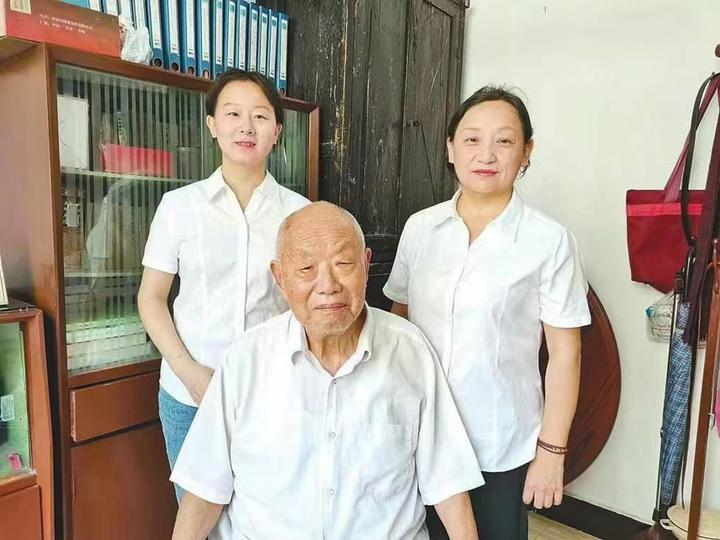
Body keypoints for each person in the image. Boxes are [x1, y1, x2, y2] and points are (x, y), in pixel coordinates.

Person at [170, 202, 484, 540]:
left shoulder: (410, 351)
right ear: (280, 278)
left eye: (343, 264)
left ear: (366, 265)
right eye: (306, 268)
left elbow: (449, 482)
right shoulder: (245, 359)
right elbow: (204, 489)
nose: (328, 285)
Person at [383, 86, 591, 539]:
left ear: (526, 152)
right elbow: (397, 324)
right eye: (472, 139)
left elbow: (566, 355)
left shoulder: (548, 241)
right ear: (450, 148)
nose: (487, 154)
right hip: (415, 432)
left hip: (497, 444)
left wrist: (551, 452)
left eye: (504, 140)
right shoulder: (421, 228)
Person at [138, 70, 309, 498]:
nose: (246, 126)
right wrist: (190, 373)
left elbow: (306, 307)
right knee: (196, 514)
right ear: (213, 125)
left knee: (267, 511)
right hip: (188, 394)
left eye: (260, 116)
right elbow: (152, 299)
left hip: (272, 392)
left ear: (277, 132)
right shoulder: (179, 207)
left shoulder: (300, 214)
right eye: (233, 114)